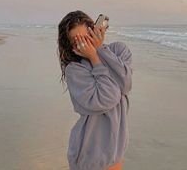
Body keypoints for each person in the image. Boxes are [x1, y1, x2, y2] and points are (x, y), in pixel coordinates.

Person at [57, 10, 133, 170]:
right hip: (90, 156)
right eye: (78, 41)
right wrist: (94, 58)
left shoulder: (119, 50)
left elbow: (126, 84)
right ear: (71, 46)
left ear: (96, 30)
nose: (86, 44)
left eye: (87, 36)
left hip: (115, 152)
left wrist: (100, 51)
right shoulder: (76, 70)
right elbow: (109, 98)